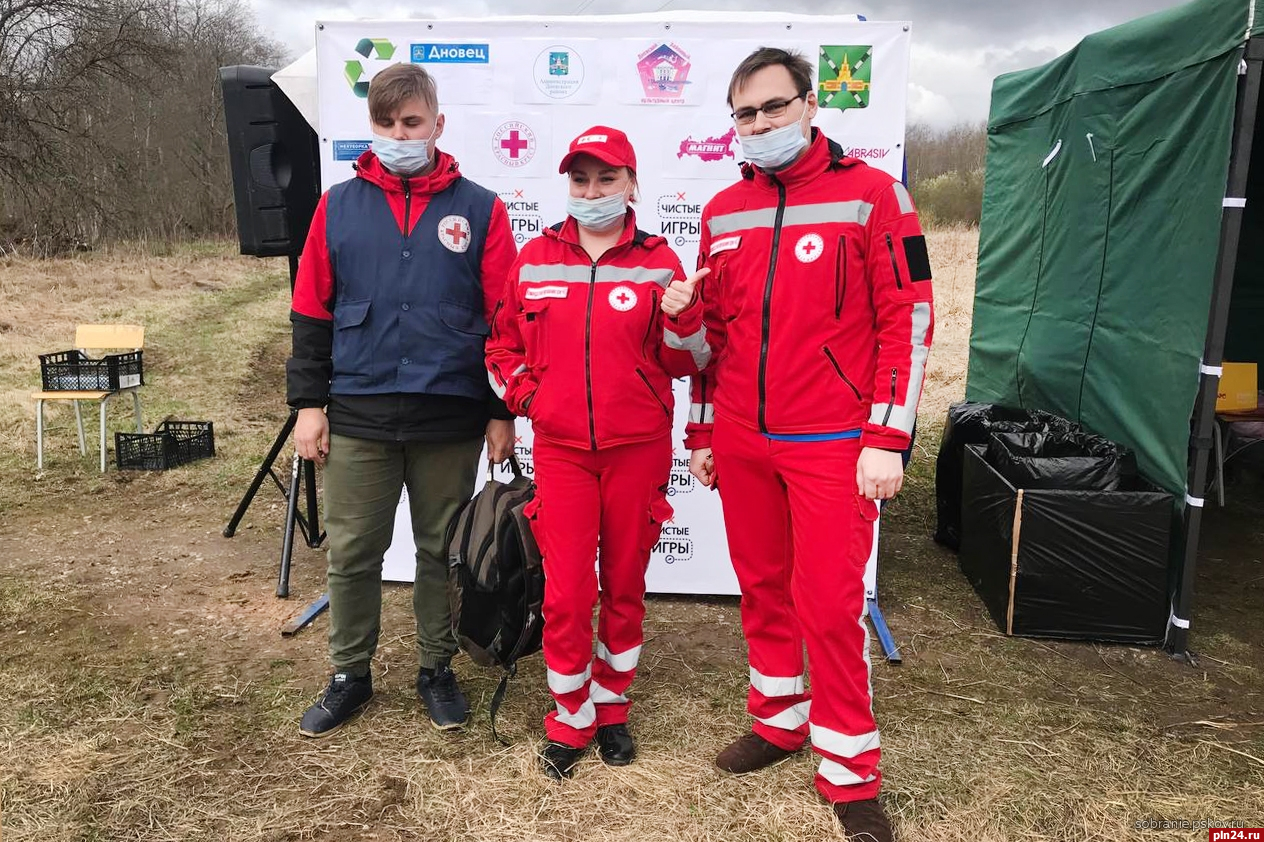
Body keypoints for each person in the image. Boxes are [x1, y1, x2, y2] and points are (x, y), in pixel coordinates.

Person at [665, 48, 934, 840]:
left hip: (835, 443)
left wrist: (886, 438)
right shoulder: (720, 213)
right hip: (745, 443)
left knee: (829, 604)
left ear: (810, 105)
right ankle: (779, 722)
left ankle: (850, 770)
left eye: (773, 108)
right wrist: (706, 428)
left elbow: (908, 321)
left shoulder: (876, 195)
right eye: (744, 114)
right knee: (764, 591)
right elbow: (710, 341)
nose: (760, 125)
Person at [287, 63, 517, 737]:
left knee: (441, 552)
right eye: (385, 123)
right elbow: (310, 310)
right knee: (353, 551)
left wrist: (501, 409)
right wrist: (309, 403)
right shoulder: (338, 205)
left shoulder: (481, 208)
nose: (398, 134)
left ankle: (435, 669)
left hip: (449, 414)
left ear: (437, 125)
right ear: (372, 127)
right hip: (358, 411)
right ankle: (348, 675)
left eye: (411, 122)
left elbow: (505, 316)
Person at [486, 126, 709, 780]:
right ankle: (569, 716)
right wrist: (532, 400)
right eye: (580, 180)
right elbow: (500, 350)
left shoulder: (662, 263)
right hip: (562, 453)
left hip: (637, 449)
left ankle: (612, 709)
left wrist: (683, 319)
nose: (592, 191)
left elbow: (688, 361)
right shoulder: (533, 258)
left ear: (632, 184)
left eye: (606, 179)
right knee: (565, 592)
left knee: (624, 588)